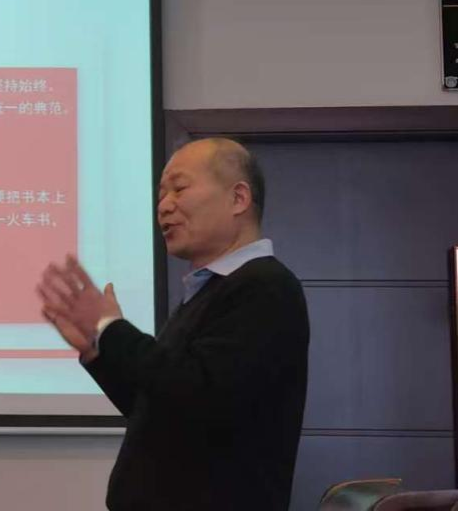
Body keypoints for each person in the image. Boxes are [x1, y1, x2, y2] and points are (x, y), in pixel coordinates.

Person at [38, 137, 309, 511]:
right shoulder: (208, 291)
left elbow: (201, 396)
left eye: (179, 188)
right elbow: (160, 407)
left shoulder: (264, 286)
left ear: (238, 198)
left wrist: (112, 328)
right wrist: (97, 351)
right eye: (161, 195)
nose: (164, 206)